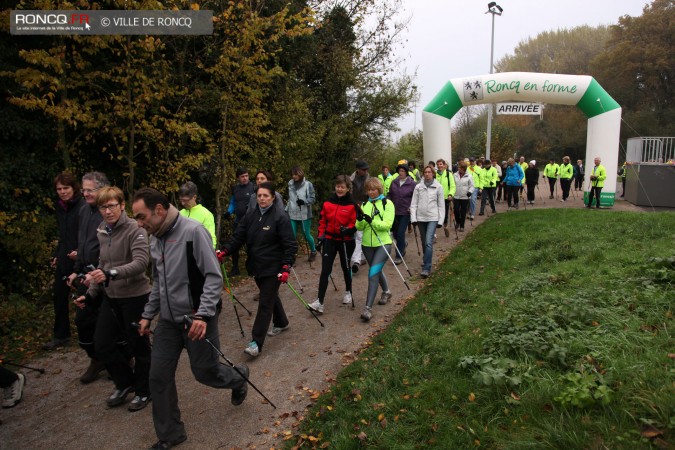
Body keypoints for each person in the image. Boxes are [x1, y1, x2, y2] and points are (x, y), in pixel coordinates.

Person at [133, 188, 249, 449]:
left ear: (159, 210)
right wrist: (147, 315)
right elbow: (158, 285)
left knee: (205, 372)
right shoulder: (155, 239)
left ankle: (238, 377)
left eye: (142, 217)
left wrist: (203, 314)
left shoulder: (193, 232)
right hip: (168, 323)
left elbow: (213, 276)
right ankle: (170, 435)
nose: (139, 224)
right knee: (158, 377)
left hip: (197, 318)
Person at [78, 186, 152, 411]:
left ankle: (143, 390)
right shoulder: (102, 230)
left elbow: (141, 263)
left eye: (111, 206)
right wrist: (89, 293)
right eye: (103, 207)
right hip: (111, 297)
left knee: (138, 345)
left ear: (122, 206)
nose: (107, 211)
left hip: (135, 296)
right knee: (101, 344)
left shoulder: (135, 229)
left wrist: (112, 273)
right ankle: (125, 382)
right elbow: (102, 265)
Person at [219, 182, 297, 356]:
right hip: (256, 266)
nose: (262, 199)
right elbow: (238, 236)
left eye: (265, 196)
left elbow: (290, 245)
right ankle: (282, 321)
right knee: (270, 297)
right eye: (259, 196)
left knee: (264, 303)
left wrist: (286, 266)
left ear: (273, 198)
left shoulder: (280, 216)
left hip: (273, 267)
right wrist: (225, 250)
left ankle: (256, 342)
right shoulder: (251, 215)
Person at [66, 172, 111, 384]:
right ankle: (96, 359)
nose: (84, 194)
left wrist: (98, 273)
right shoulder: (83, 211)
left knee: (110, 321)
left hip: (105, 275)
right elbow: (81, 242)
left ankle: (119, 360)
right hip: (84, 274)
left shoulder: (108, 212)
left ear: (102, 189)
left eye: (89, 190)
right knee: (83, 321)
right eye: (83, 190)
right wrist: (76, 269)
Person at [45, 172, 83, 351]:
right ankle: (61, 335)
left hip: (80, 260)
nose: (62, 192)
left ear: (74, 188)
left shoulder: (83, 206)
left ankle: (92, 338)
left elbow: (88, 234)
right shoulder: (60, 207)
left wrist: (81, 252)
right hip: (63, 259)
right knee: (59, 297)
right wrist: (56, 254)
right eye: (59, 189)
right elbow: (62, 235)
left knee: (86, 300)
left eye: (65, 188)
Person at [309, 175, 357, 313]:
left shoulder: (352, 204)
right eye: (337, 186)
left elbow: (355, 223)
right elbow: (323, 220)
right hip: (330, 239)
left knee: (345, 267)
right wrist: (320, 236)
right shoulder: (328, 202)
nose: (339, 189)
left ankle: (348, 291)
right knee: (325, 270)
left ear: (348, 188)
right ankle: (320, 302)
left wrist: (347, 230)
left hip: (345, 241)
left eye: (342, 187)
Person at [355, 178, 393, 321]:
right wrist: (359, 218)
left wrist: (372, 221)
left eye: (373, 189)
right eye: (368, 190)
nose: (370, 192)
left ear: (379, 189)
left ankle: (367, 308)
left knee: (372, 274)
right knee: (375, 271)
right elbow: (359, 227)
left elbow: (387, 225)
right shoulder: (365, 204)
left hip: (383, 244)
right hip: (367, 245)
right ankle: (387, 291)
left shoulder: (387, 203)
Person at [410, 166, 445, 278]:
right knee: (424, 241)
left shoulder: (438, 187)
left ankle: (427, 267)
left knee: (428, 242)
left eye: (429, 172)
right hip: (420, 218)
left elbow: (441, 205)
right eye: (425, 172)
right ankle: (426, 259)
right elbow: (413, 203)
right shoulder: (418, 187)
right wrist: (413, 218)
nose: (427, 174)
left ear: (433, 174)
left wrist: (440, 220)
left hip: (432, 218)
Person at [226, 168, 256, 276]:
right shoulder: (235, 188)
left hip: (250, 222)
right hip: (238, 221)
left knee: (250, 245)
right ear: (238, 178)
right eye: (242, 176)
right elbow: (233, 202)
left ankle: (251, 267)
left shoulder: (253, 187)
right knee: (234, 245)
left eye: (247, 176)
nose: (245, 178)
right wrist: (229, 211)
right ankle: (235, 268)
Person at [286, 166, 317, 262]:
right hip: (292, 214)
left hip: (304, 214)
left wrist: (304, 201)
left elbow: (313, 198)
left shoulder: (308, 185)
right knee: (291, 236)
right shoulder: (290, 184)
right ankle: (291, 255)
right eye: (292, 174)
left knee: (306, 235)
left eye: (295, 174)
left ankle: (313, 251)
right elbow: (290, 199)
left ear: (300, 174)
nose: (294, 176)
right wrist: (285, 209)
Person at [387, 163, 416, 265]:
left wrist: (412, 207)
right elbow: (389, 194)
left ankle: (398, 256)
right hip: (394, 212)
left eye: (403, 171)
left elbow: (415, 198)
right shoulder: (394, 182)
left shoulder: (412, 184)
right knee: (395, 233)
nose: (401, 173)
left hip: (405, 212)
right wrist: (387, 202)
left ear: (407, 172)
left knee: (400, 233)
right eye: (399, 171)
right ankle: (403, 244)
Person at [177, 181, 216, 248]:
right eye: (181, 200)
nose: (183, 203)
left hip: (198, 254)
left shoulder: (206, 214)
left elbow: (211, 239)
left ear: (194, 197)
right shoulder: (179, 214)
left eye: (185, 200)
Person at [349, 160, 371, 273]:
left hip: (365, 207)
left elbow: (372, 194)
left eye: (366, 169)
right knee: (355, 233)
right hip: (352, 208)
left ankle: (358, 258)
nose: (365, 171)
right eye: (363, 169)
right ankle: (357, 256)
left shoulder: (369, 180)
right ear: (357, 169)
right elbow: (348, 194)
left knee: (361, 233)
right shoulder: (350, 180)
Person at [435, 158, 456, 237]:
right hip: (435, 198)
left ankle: (445, 226)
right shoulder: (434, 174)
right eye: (438, 164)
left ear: (444, 165)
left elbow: (453, 186)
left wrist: (450, 194)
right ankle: (433, 234)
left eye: (441, 164)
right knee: (435, 215)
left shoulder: (448, 174)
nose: (439, 166)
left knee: (445, 214)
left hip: (446, 198)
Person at [452, 162, 474, 231]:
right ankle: (458, 221)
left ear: (464, 169)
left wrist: (470, 192)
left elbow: (472, 186)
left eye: (460, 168)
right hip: (456, 195)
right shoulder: (454, 175)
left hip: (465, 196)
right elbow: (452, 184)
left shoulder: (469, 176)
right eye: (458, 167)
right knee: (456, 210)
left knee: (463, 211)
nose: (459, 169)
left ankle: (462, 226)